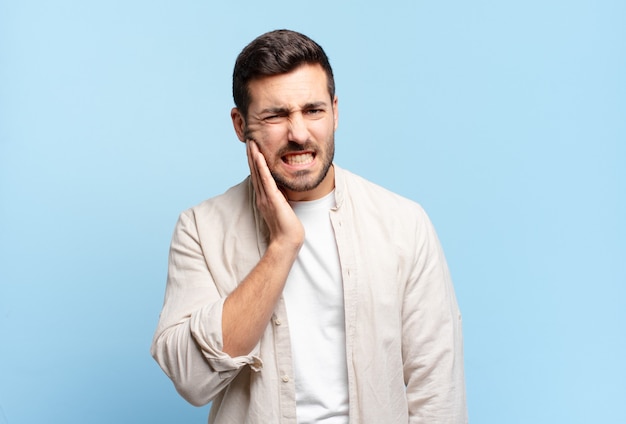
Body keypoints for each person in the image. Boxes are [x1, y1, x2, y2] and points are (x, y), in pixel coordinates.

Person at [151, 29, 467, 423]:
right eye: (276, 115)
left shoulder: (404, 224)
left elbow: (438, 392)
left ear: (335, 111)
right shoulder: (201, 229)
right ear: (240, 124)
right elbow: (191, 380)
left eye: (313, 110)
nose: (298, 133)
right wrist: (283, 246)